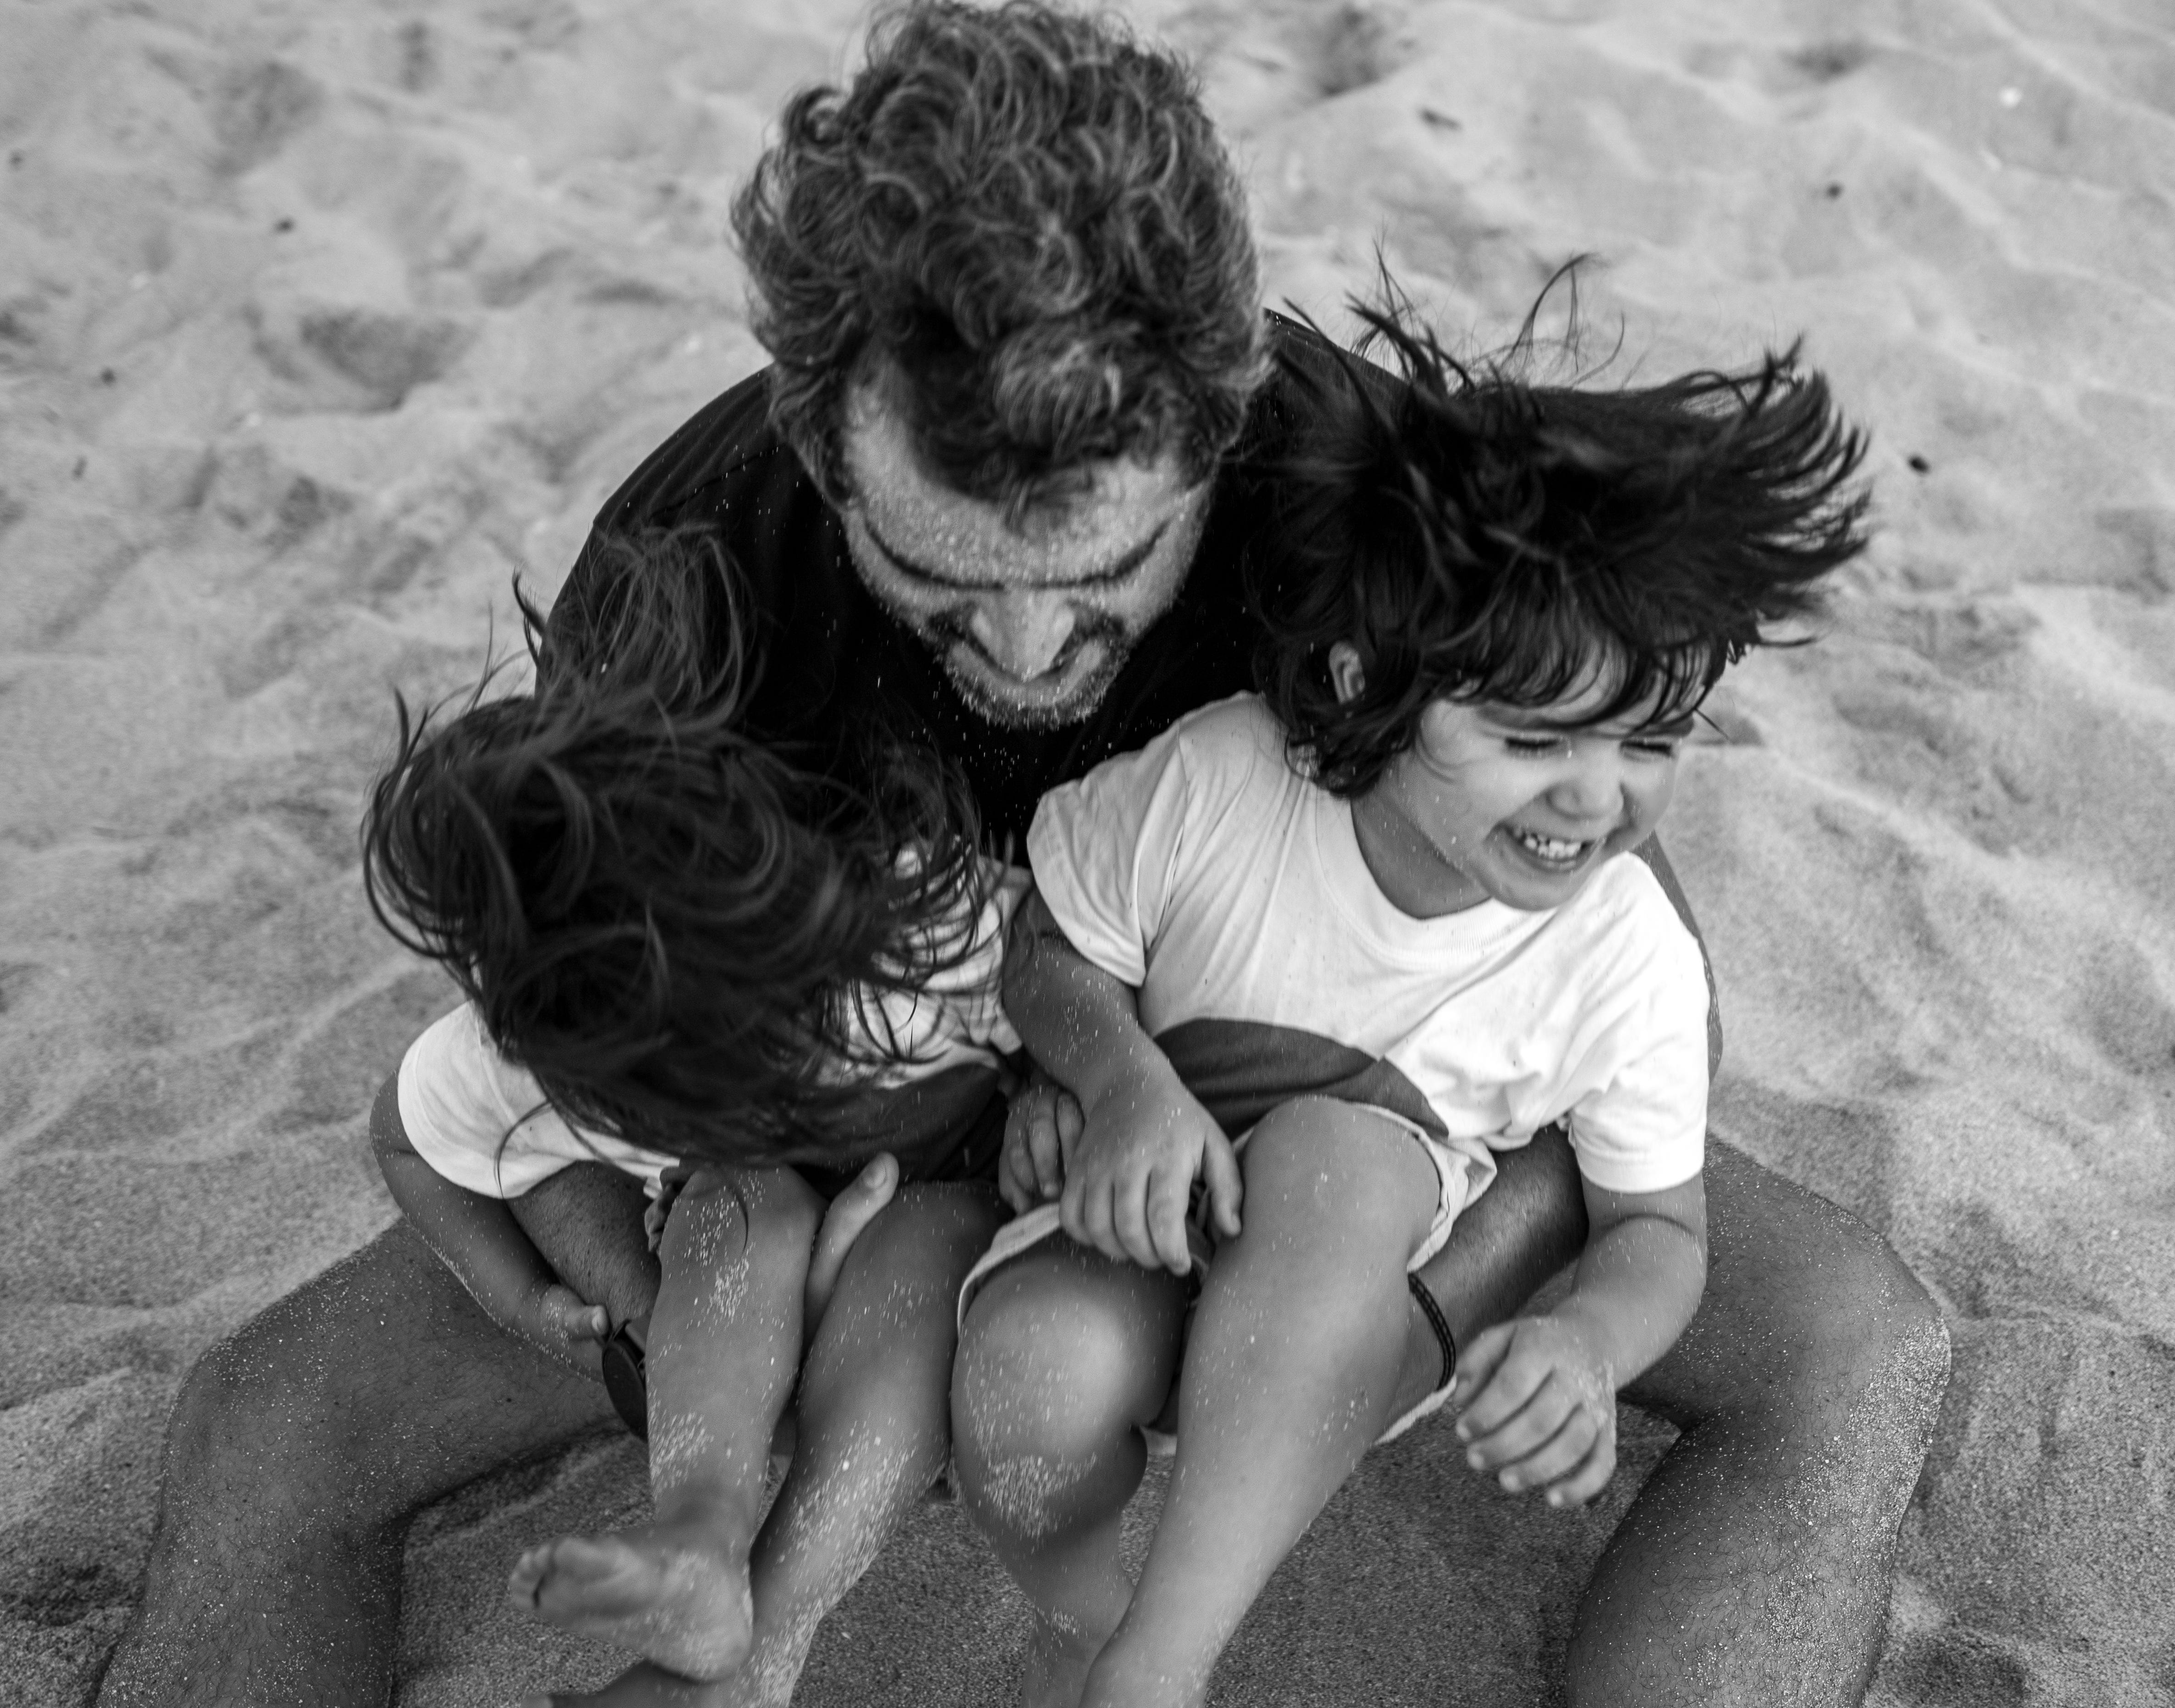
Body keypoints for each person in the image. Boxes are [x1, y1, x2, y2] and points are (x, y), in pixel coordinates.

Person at [100, 6, 1948, 1705]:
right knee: (271, 1431)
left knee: (1851, 1345)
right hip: (845, 1160)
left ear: (1220, 429)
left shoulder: (1362, 501)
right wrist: (679, 1325)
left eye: (1103, 579)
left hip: (1285, 1135)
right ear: (824, 444)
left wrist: (1427, 1286)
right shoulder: (690, 577)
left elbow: (1611, 938)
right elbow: (598, 1057)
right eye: (942, 579)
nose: (1025, 653)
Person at [950, 308, 1864, 1708]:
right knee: (1028, 1372)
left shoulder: (1626, 954)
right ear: (1366, 677)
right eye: (1533, 735)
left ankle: (1161, 1665)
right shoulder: (1224, 780)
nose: (1595, 794)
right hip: (1142, 1229)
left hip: (1356, 1307)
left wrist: (1589, 1339)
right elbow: (1049, 949)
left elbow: (1658, 1229)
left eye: (1650, 737)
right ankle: (1083, 1618)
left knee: (1337, 1151)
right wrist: (1117, 1079)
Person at [359, 528, 1015, 1698]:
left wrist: (1069, 1102)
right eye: (630, 1095)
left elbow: (1071, 989)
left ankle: (758, 1648)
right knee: (734, 1211)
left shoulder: (911, 944)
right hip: (768, 1203)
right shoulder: (536, 1047)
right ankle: (700, 1538)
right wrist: (520, 1298)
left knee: (922, 1255)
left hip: (951, 1185)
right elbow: (405, 1140)